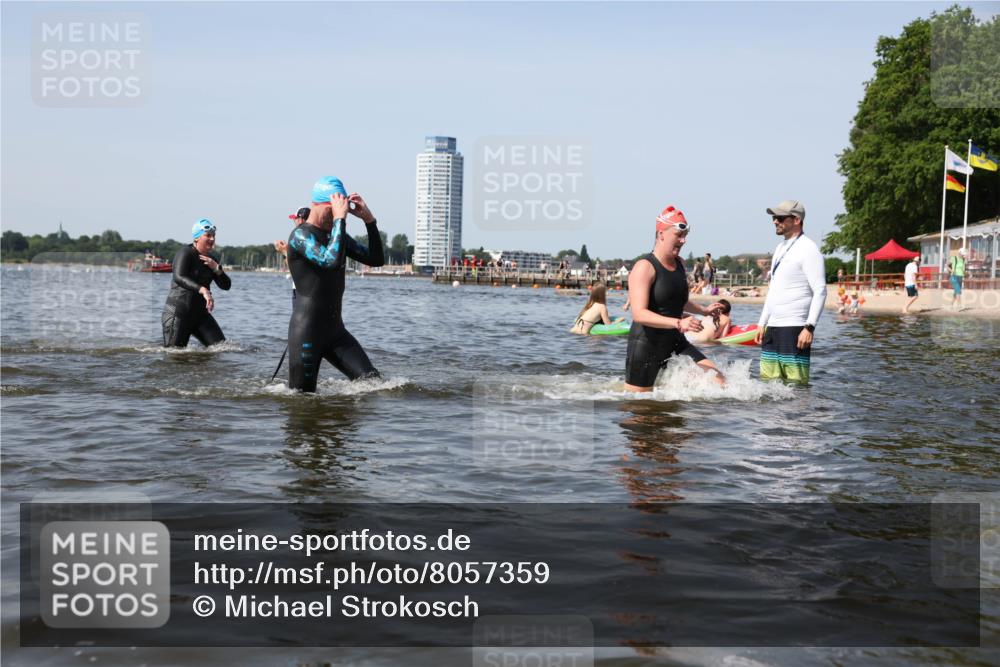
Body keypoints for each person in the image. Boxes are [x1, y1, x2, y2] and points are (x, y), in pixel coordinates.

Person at [286, 176, 385, 392]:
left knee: (375, 385)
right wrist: (341, 220)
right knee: (302, 401)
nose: (339, 215)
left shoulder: (336, 236)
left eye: (342, 211)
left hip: (335, 332)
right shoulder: (300, 235)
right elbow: (329, 261)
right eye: (335, 210)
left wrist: (370, 221)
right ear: (321, 205)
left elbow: (376, 259)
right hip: (306, 334)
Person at [625, 205, 726, 391]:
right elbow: (639, 314)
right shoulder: (644, 267)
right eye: (679, 235)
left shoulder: (680, 264)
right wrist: (680, 323)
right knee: (642, 408)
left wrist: (704, 311)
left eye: (685, 235)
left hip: (675, 341)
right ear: (661, 234)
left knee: (719, 382)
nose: (684, 240)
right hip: (647, 344)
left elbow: (677, 300)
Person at [753, 200, 826, 384]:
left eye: (780, 217)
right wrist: (762, 323)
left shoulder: (809, 249)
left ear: (796, 220)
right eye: (774, 217)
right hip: (773, 327)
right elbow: (773, 289)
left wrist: (809, 327)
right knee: (768, 385)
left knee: (796, 387)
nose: (775, 221)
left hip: (794, 328)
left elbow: (820, 291)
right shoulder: (780, 248)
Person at [161, 219, 231, 348]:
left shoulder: (211, 260)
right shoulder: (185, 253)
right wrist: (203, 290)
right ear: (197, 237)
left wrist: (217, 268)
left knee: (222, 348)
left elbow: (226, 286)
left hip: (200, 315)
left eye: (213, 236)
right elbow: (179, 277)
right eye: (208, 235)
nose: (212, 239)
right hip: (178, 313)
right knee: (175, 356)